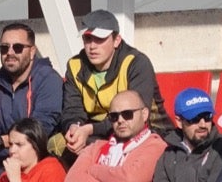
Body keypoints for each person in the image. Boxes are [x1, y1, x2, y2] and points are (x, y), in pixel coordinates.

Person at [58, 9, 170, 156]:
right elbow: (72, 110)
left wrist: (89, 129)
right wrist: (74, 128)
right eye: (87, 39)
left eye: (99, 39)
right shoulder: (75, 65)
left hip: (144, 131)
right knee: (57, 144)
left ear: (116, 40)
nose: (92, 46)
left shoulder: (136, 63)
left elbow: (136, 118)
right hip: (96, 133)